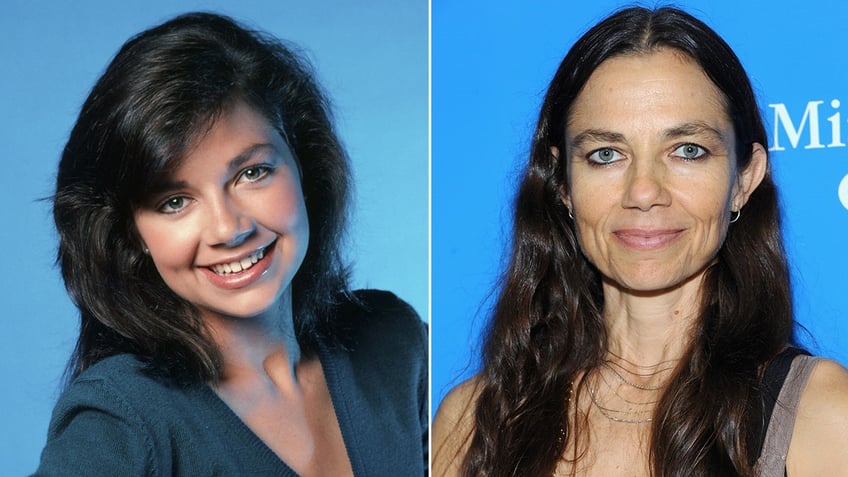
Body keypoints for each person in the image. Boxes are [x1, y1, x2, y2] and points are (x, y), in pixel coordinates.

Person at [433, 6, 848, 477]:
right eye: (606, 154)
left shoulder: (822, 417)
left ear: (744, 179)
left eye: (687, 150)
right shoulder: (472, 421)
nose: (644, 192)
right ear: (563, 184)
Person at [34, 12, 427, 476]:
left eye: (252, 173)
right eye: (175, 201)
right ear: (131, 234)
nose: (228, 229)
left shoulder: (394, 344)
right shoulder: (121, 420)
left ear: (304, 163)